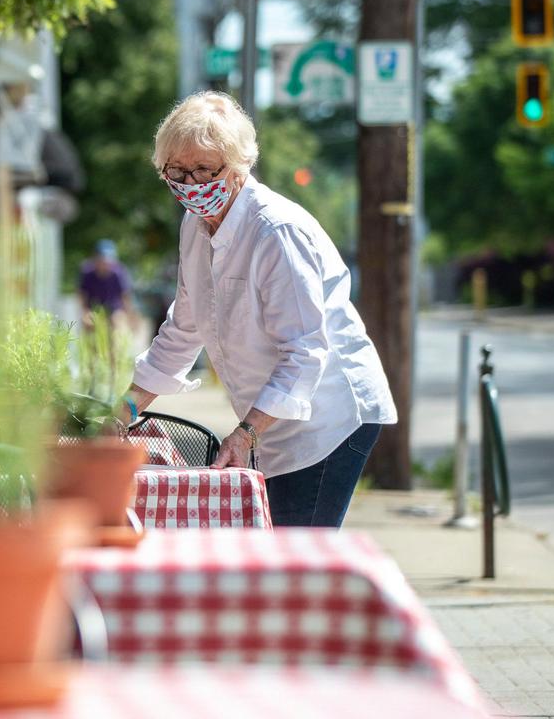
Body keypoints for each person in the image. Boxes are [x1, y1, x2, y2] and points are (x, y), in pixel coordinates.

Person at [119, 91, 397, 528]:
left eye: (205, 170)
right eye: (177, 171)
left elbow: (306, 350)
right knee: (275, 544)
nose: (191, 184)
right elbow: (183, 328)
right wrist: (125, 410)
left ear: (237, 167)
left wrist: (246, 432)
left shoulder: (276, 231)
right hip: (268, 420)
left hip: (329, 417)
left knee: (295, 548)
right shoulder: (194, 227)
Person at [77, 239, 135, 329]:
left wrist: (129, 316)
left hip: (115, 310)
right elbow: (82, 295)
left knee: (117, 322)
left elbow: (125, 296)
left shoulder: (118, 273)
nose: (105, 264)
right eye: (101, 260)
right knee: (88, 322)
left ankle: (116, 343)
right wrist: (84, 312)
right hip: (94, 309)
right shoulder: (87, 272)